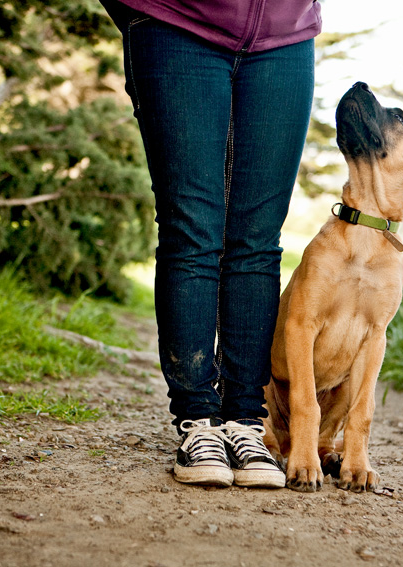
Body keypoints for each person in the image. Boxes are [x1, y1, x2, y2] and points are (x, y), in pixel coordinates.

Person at [100, 0, 321, 489]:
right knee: (191, 231)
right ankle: (197, 421)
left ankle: (245, 422)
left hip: (284, 39)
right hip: (175, 24)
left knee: (258, 241)